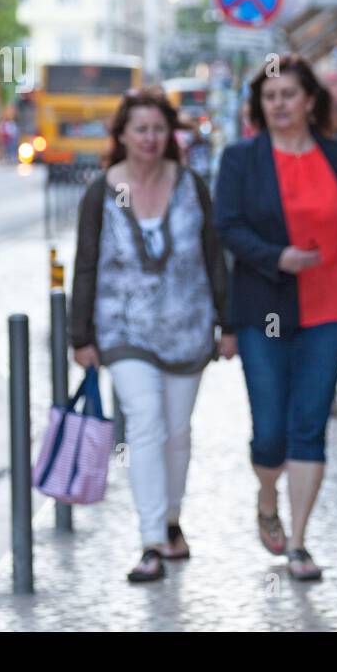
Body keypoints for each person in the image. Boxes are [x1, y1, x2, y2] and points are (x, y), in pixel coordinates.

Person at [213, 55, 337, 581]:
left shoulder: (336, 156)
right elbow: (227, 226)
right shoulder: (241, 159)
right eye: (270, 97)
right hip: (263, 305)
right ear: (259, 106)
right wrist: (276, 257)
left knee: (309, 424)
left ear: (310, 100)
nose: (279, 104)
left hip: (330, 308)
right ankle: (268, 498)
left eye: (289, 94)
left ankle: (300, 543)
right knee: (269, 431)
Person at [70, 87, 235, 583]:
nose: (150, 137)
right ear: (121, 134)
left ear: (170, 134)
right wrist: (81, 336)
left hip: (187, 327)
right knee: (144, 423)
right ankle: (150, 542)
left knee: (177, 431)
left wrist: (227, 325)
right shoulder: (103, 190)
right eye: (140, 128)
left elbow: (213, 257)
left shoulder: (190, 185)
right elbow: (86, 264)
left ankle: (170, 519)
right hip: (123, 330)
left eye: (158, 128)